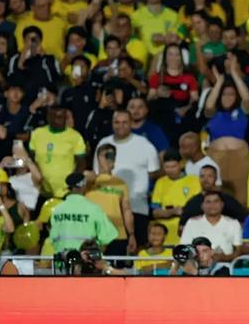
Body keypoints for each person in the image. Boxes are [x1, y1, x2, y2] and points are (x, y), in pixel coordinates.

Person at [94, 110, 161, 247]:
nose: (120, 126)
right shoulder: (103, 143)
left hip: (137, 208)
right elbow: (97, 174)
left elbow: (154, 173)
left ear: (131, 123)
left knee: (135, 249)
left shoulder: (144, 145)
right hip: (108, 210)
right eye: (117, 122)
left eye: (125, 122)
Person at [85, 144, 136, 258]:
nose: (109, 159)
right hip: (93, 236)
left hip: (118, 235)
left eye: (112, 156)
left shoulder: (121, 183)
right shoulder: (90, 180)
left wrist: (131, 234)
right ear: (98, 157)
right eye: (106, 155)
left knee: (116, 270)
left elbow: (127, 210)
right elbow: (80, 182)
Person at [49, 173, 119, 253]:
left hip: (63, 259)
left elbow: (52, 237)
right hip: (85, 261)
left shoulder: (58, 210)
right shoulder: (93, 209)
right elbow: (107, 236)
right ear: (83, 186)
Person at [28, 105, 86, 199]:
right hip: (41, 190)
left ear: (65, 118)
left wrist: (73, 184)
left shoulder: (75, 136)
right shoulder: (37, 134)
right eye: (53, 116)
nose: (56, 120)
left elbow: (81, 163)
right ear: (48, 117)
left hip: (66, 192)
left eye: (60, 117)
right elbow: (30, 159)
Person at [151, 149, 201, 244]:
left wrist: (168, 212)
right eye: (167, 167)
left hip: (187, 232)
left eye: (173, 166)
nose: (170, 170)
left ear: (181, 164)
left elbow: (196, 208)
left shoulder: (194, 181)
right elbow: (155, 212)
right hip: (165, 235)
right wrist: (173, 211)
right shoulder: (160, 182)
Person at [179, 191, 242, 261]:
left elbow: (238, 251)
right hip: (197, 266)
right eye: (208, 202)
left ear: (222, 204)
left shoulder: (233, 223)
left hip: (226, 266)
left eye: (216, 201)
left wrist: (224, 258)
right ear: (202, 206)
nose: (212, 205)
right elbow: (184, 248)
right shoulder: (192, 223)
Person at [180, 165, 246, 228]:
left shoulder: (227, 200)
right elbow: (181, 227)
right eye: (202, 176)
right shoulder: (193, 202)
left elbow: (243, 221)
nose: (205, 179)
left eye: (210, 176)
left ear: (216, 178)